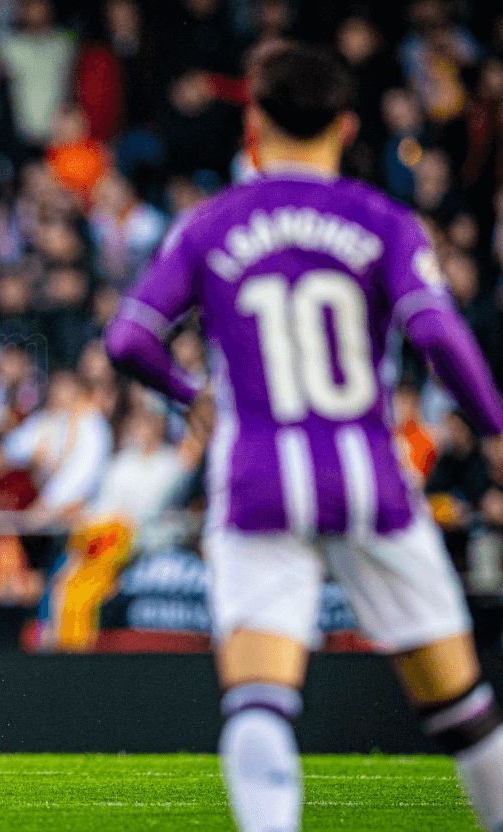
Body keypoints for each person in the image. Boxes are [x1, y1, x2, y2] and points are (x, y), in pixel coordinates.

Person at [106, 43, 503, 832]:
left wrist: (191, 397)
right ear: (347, 125)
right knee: (462, 709)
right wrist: (494, 429)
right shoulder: (380, 219)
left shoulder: (211, 222)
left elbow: (128, 340)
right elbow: (441, 336)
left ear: (253, 120)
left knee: (260, 703)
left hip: (257, 479)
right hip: (371, 481)